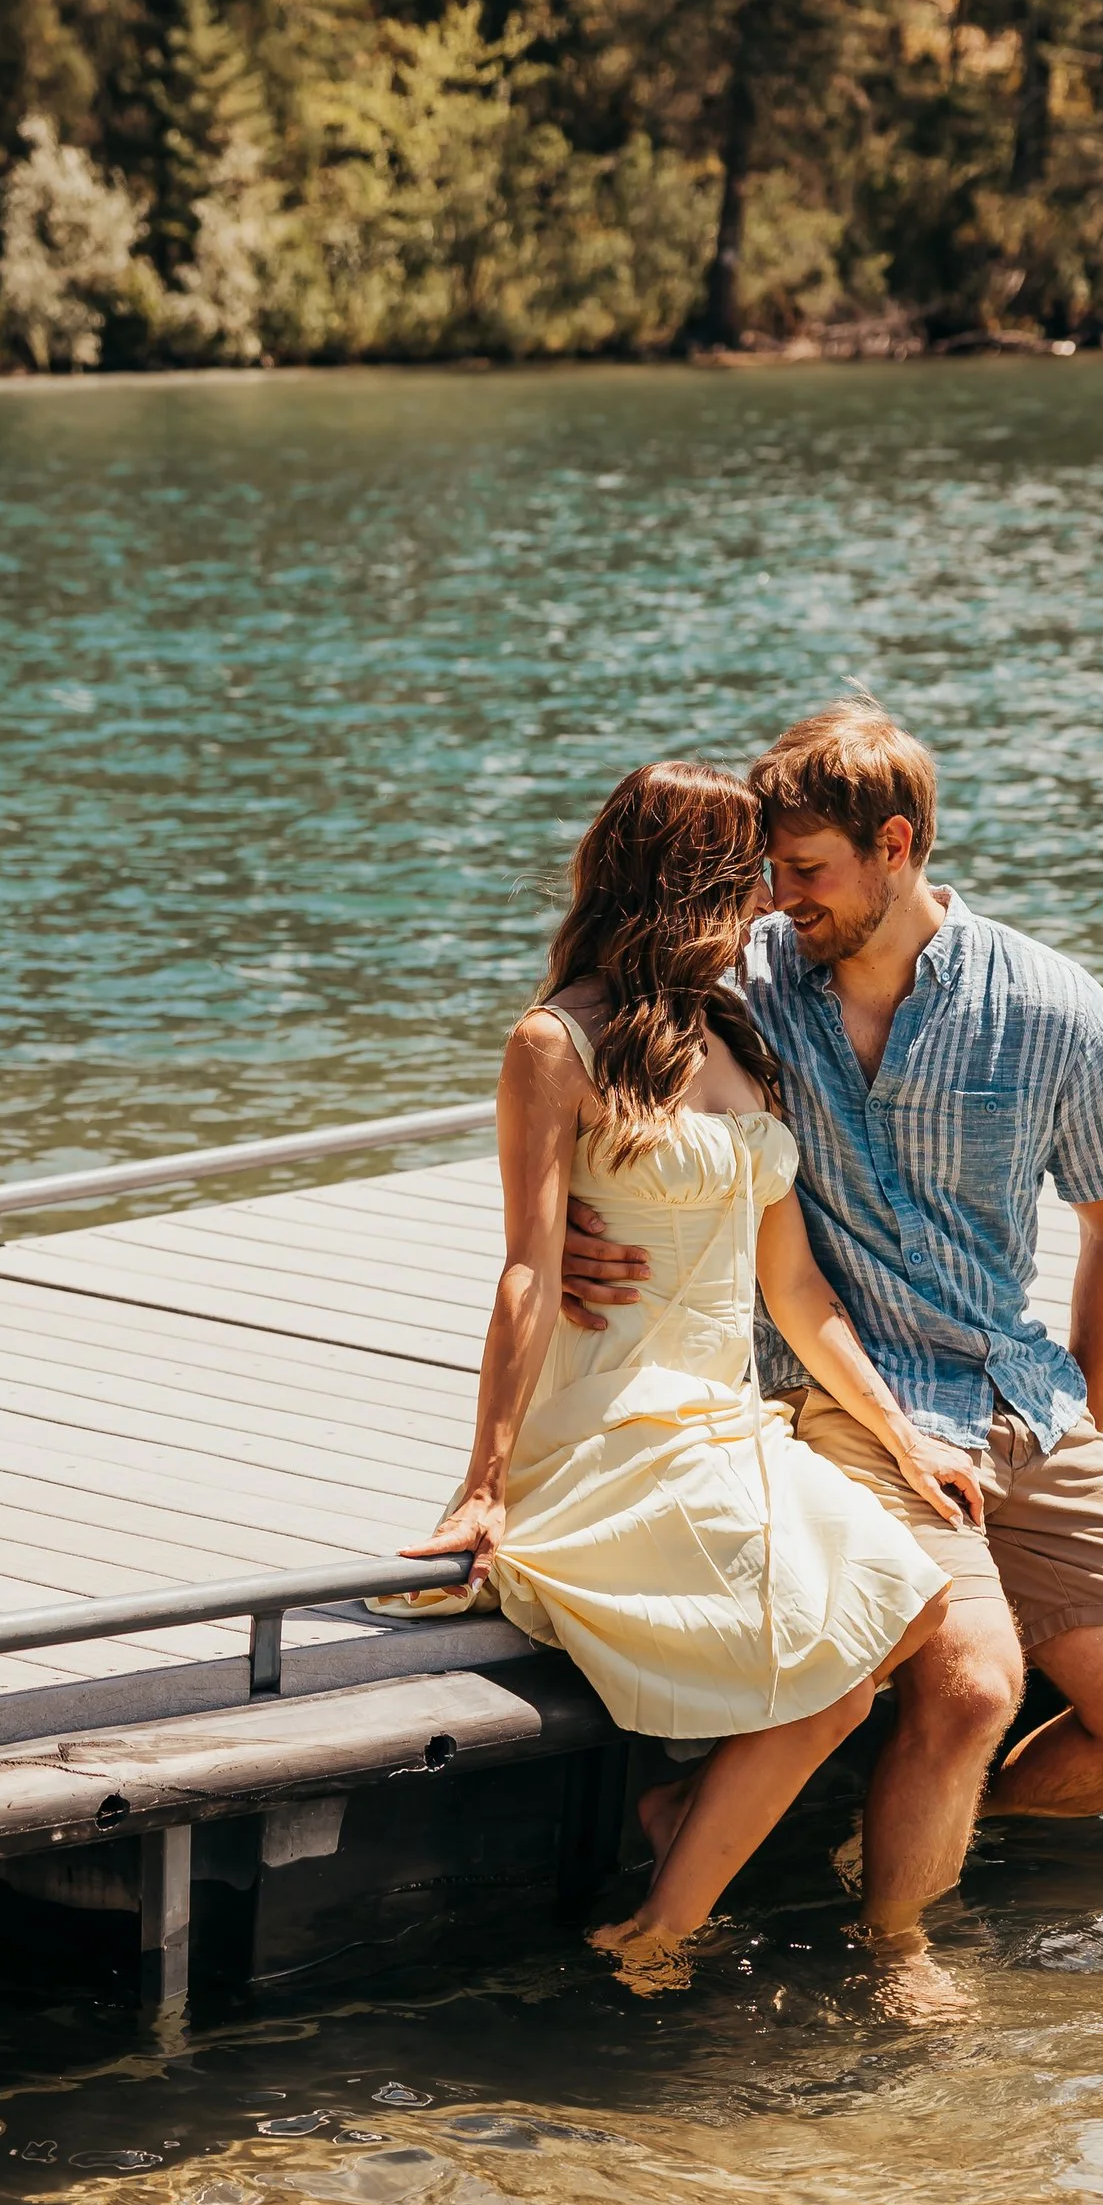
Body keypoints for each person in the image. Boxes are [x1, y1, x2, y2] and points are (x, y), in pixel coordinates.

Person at [561, 700, 1103, 1946]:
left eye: (805, 871)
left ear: (898, 845)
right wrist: (560, 1231)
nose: (777, 897)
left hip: (1018, 1396)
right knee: (973, 1688)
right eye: (768, 871)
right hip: (837, 1395)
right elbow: (580, 1036)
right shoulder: (742, 979)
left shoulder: (1050, 1007)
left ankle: (886, 1839)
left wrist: (1080, 1425)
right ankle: (896, 1944)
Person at [400, 758, 978, 1992]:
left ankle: (673, 1848)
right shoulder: (556, 1043)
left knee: (906, 1611)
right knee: (833, 1653)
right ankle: (657, 1932)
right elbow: (523, 1272)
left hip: (730, 1418)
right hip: (610, 1429)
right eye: (753, 875)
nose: (774, 899)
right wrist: (483, 1483)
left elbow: (797, 1289)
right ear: (692, 884)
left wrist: (901, 1433)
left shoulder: (734, 1034)